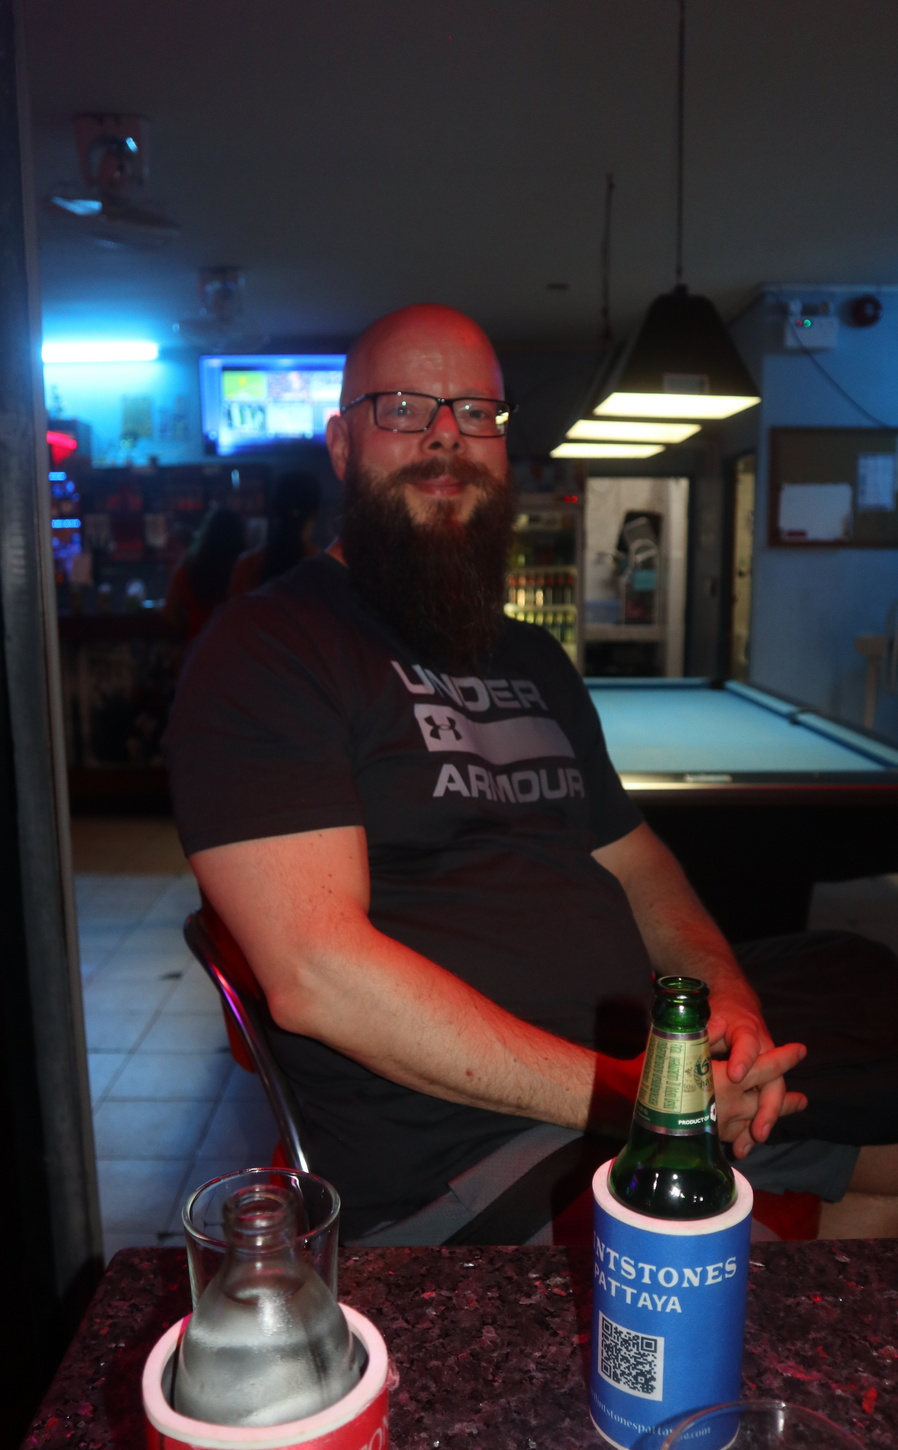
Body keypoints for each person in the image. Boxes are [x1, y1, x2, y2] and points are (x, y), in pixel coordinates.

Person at [165, 303, 898, 1243]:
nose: (445, 434)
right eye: (403, 408)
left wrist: (728, 1006)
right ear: (342, 445)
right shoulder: (268, 650)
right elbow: (319, 975)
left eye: (477, 412)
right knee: (714, 1299)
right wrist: (631, 1094)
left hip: (639, 1085)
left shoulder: (532, 659)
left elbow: (639, 866)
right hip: (466, 1153)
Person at [228, 470, 321, 597]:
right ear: (315, 514)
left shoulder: (248, 565)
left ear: (274, 511)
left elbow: (234, 607)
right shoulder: (323, 567)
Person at [164, 506, 246, 640]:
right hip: (237, 646)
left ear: (205, 534)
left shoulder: (186, 568)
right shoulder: (246, 570)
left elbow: (169, 614)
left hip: (198, 644)